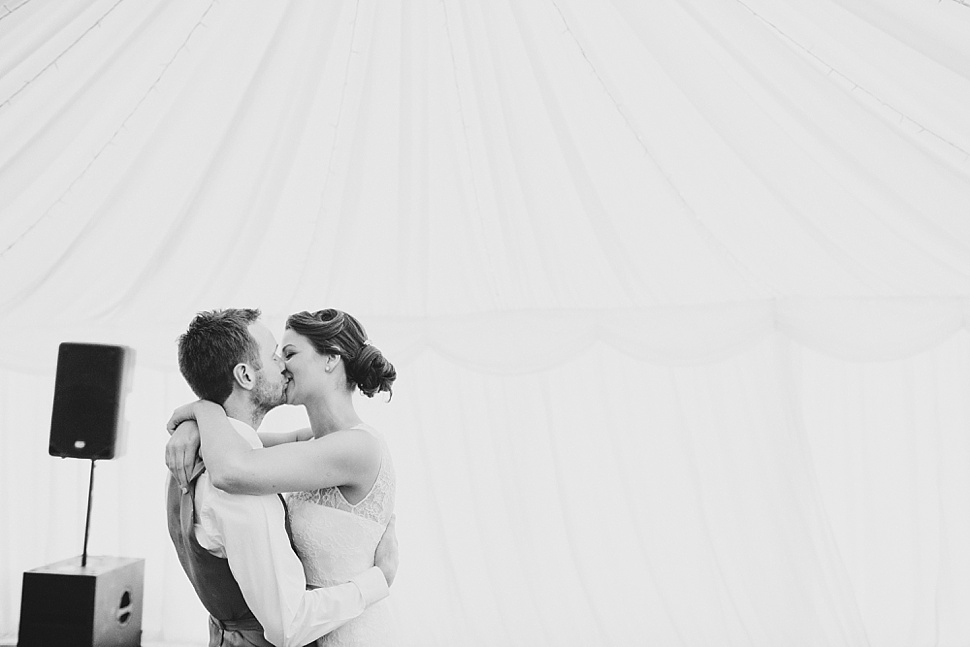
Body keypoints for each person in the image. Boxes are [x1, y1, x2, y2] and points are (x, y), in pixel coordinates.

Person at [167, 308, 398, 647]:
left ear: (331, 359)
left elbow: (233, 467)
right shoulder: (307, 445)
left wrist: (202, 410)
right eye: (277, 355)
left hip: (351, 632)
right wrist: (201, 414)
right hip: (312, 626)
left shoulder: (356, 447)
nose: (283, 365)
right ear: (245, 375)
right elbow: (240, 447)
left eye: (289, 353)